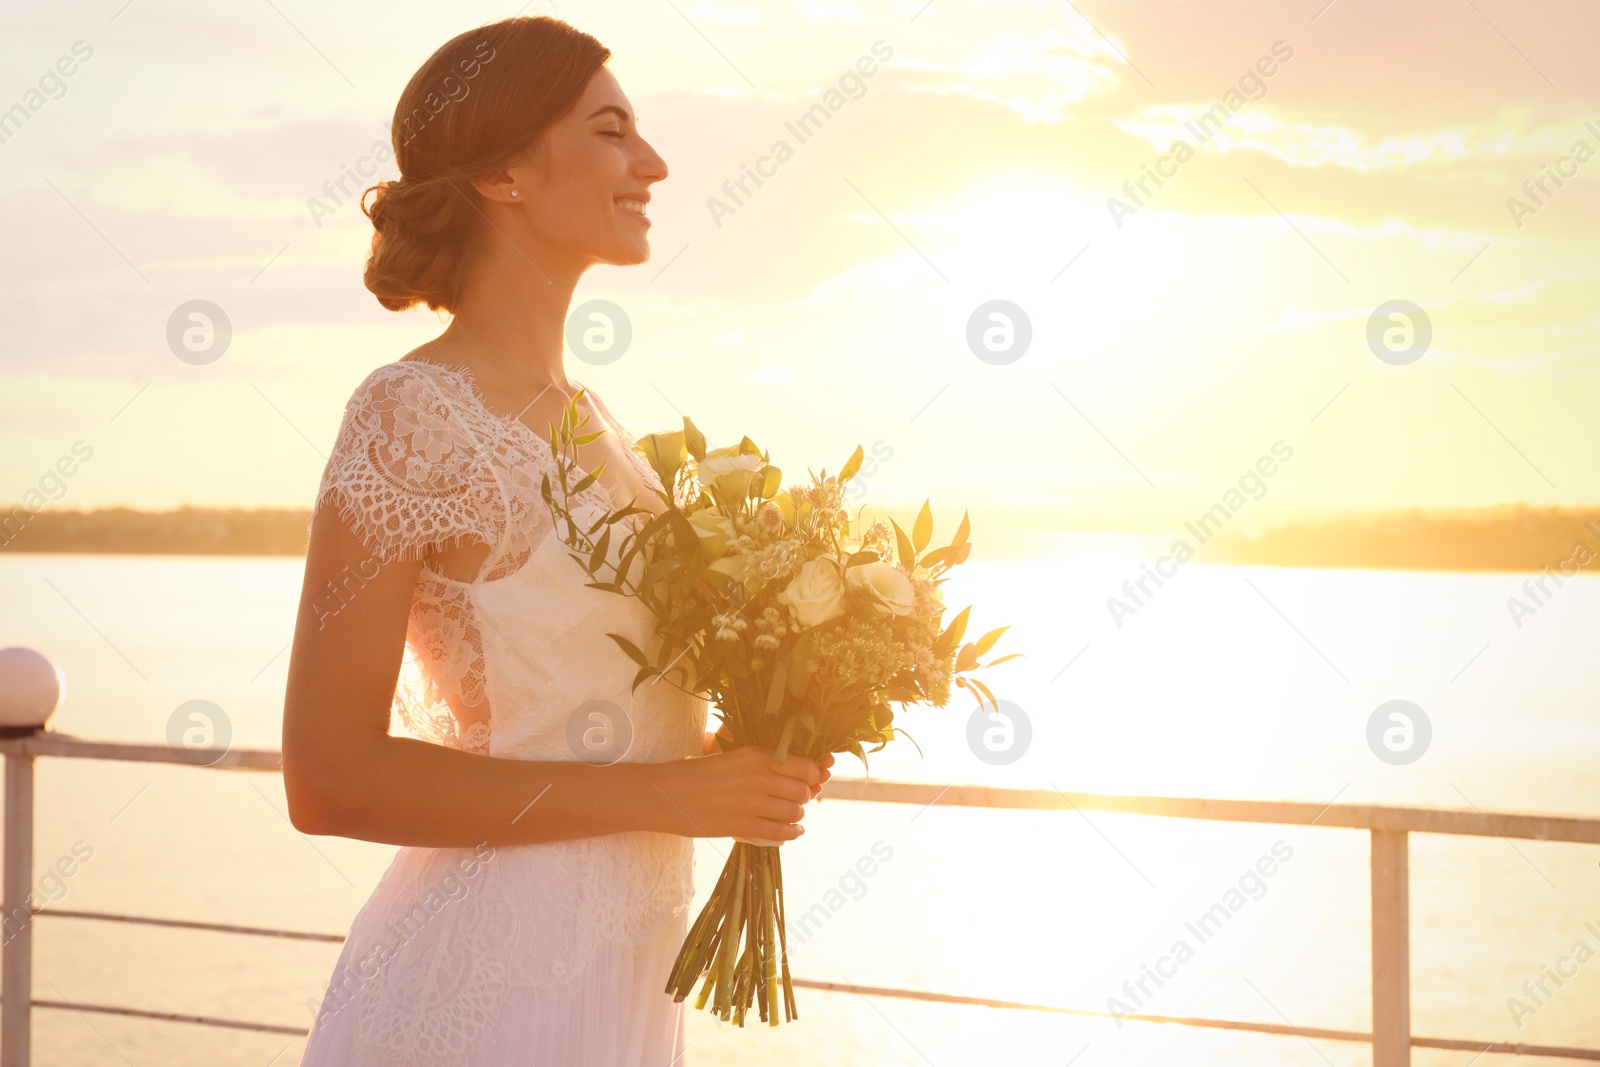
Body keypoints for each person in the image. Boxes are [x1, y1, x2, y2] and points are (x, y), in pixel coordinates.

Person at [282, 16, 830, 1065]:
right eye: (614, 130)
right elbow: (328, 773)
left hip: (623, 979)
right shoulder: (410, 413)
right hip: (483, 988)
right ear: (503, 173)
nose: (654, 163)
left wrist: (759, 743)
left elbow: (614, 708)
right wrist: (672, 793)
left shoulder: (604, 427)